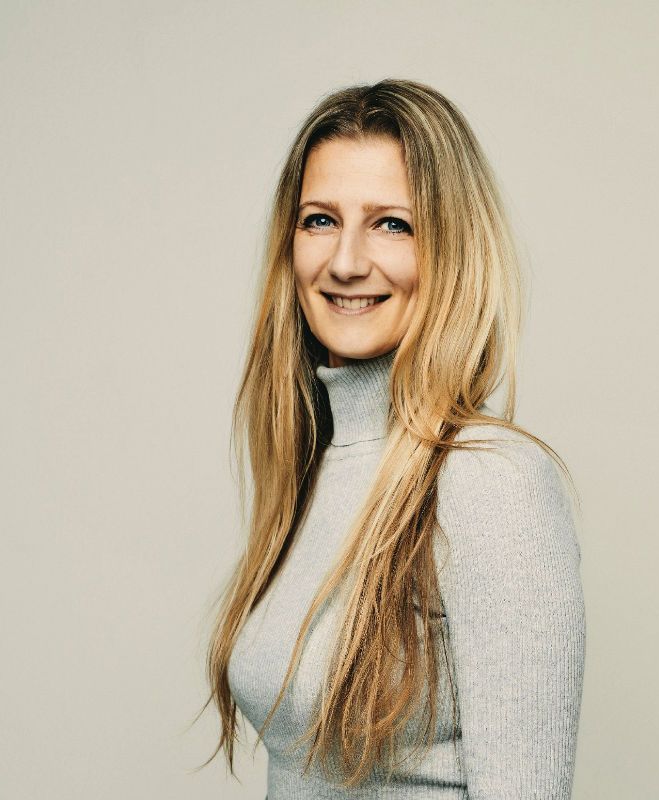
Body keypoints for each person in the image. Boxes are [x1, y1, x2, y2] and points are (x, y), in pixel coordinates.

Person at [201, 78, 586, 798]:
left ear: (451, 248)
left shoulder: (491, 482)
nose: (346, 262)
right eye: (320, 220)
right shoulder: (315, 467)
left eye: (392, 225)